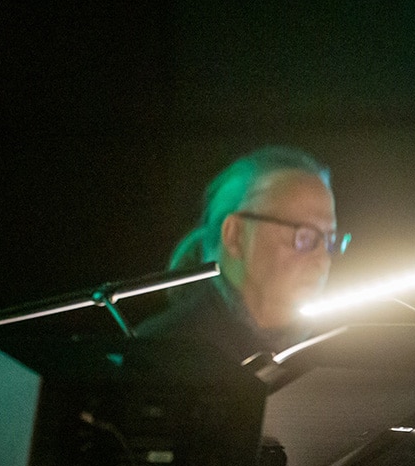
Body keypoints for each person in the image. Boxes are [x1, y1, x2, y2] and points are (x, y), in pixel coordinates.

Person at [134, 145, 347, 361]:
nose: (322, 259)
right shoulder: (164, 352)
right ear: (235, 235)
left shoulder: (336, 352)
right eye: (305, 236)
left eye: (329, 239)